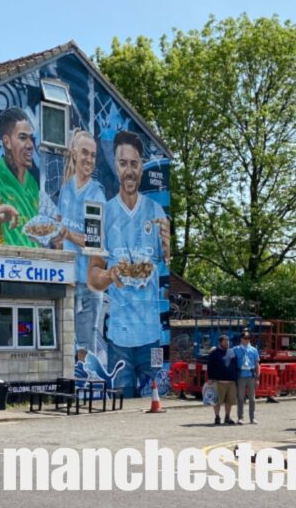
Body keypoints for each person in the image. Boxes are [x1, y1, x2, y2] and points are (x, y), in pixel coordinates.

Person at [88, 130, 170, 397]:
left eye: (134, 164)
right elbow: (92, 277)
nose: (129, 171)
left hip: (151, 338)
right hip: (119, 340)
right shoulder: (100, 215)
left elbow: (167, 264)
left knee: (154, 405)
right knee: (120, 408)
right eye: (123, 164)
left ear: (142, 166)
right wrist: (111, 274)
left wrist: (167, 248)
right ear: (115, 165)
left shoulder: (158, 213)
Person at [58, 130, 107, 354]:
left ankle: (85, 385)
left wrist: (67, 233)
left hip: (88, 281)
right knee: (65, 343)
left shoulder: (96, 194)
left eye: (93, 155)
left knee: (85, 346)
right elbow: (59, 229)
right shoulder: (65, 189)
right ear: (75, 154)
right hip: (66, 277)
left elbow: (93, 240)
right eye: (85, 153)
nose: (89, 159)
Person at [0, 107, 42, 247]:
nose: (30, 145)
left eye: (31, 138)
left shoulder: (32, 183)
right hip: (6, 264)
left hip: (34, 265)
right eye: (23, 138)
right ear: (7, 142)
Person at [207, 335, 237, 425]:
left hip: (231, 382)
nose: (227, 343)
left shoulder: (232, 352)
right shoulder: (214, 353)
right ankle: (217, 417)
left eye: (228, 341)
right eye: (224, 341)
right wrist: (210, 378)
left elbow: (235, 365)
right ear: (220, 342)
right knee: (217, 401)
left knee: (229, 401)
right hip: (219, 382)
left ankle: (227, 417)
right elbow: (210, 366)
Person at [233, 331, 259, 424]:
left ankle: (252, 418)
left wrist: (257, 378)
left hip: (251, 376)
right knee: (240, 398)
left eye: (248, 338)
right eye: (245, 338)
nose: (247, 340)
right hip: (241, 376)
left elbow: (256, 364)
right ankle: (240, 417)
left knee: (252, 398)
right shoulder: (235, 349)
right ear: (241, 339)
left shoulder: (254, 350)